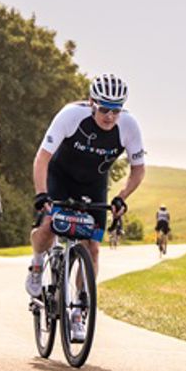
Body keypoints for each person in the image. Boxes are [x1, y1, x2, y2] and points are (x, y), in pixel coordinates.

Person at [28, 74, 146, 340]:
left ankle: (78, 311)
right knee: (48, 226)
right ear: (92, 102)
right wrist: (41, 194)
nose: (109, 116)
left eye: (116, 110)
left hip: (94, 185)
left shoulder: (128, 125)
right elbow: (42, 158)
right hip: (60, 178)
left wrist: (121, 197)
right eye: (104, 109)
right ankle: (37, 265)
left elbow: (138, 170)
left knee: (92, 248)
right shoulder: (71, 116)